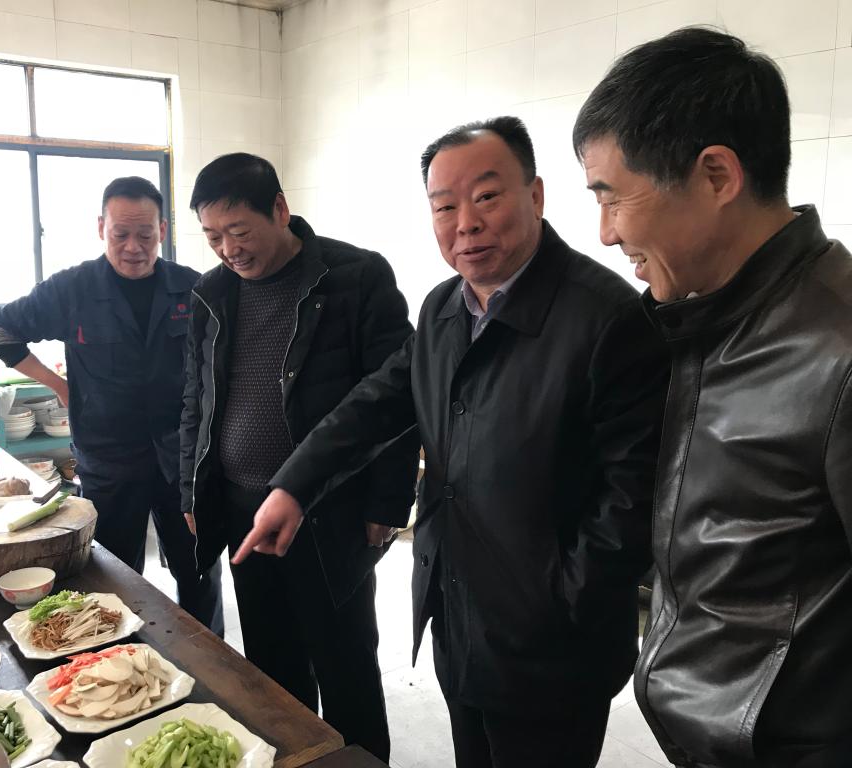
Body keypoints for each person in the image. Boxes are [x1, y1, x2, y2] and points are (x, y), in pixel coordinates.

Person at [232, 118, 669, 768]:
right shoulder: (443, 309)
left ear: (536, 196)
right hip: (459, 614)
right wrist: (293, 486)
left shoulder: (607, 318)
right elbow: (375, 404)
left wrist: (559, 603)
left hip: (553, 649)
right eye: (444, 206)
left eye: (487, 197)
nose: (466, 223)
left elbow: (632, 502)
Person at [573, 26, 852, 768]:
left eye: (611, 197)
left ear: (717, 176)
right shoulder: (696, 319)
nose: (605, 234)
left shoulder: (837, 353)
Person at [179, 153, 418, 761]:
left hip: (330, 510)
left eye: (239, 231)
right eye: (213, 236)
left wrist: (388, 502)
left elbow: (398, 396)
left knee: (345, 664)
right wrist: (191, 488)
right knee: (271, 666)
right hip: (242, 510)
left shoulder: (355, 277)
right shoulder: (210, 292)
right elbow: (196, 400)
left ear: (280, 210)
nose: (228, 250)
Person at [0, 176, 224, 636]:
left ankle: (212, 660)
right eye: (120, 234)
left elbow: (221, 361)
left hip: (183, 459)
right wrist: (58, 384)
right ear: (101, 228)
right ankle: (116, 662)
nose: (133, 247)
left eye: (145, 235)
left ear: (162, 230)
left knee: (198, 568)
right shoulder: (72, 288)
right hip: (109, 460)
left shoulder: (191, 287)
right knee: (111, 574)